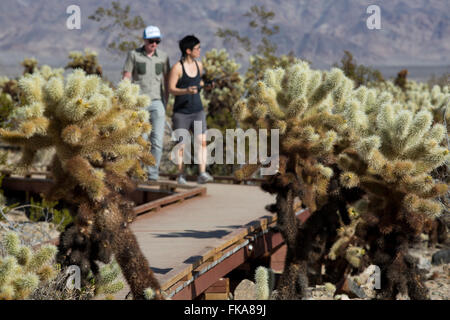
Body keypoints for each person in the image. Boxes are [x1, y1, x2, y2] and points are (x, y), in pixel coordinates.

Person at [122, 25, 170, 181]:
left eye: (157, 41)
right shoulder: (134, 55)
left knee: (157, 140)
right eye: (151, 41)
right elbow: (127, 76)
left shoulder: (163, 57)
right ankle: (137, 172)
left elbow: (167, 80)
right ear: (144, 40)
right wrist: (125, 98)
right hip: (139, 103)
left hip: (157, 102)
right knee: (140, 139)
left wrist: (166, 102)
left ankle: (153, 174)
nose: (154, 44)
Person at [168, 35, 213, 184]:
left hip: (198, 110)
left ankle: (202, 173)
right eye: (197, 48)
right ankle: (181, 174)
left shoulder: (199, 65)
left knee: (202, 141)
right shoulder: (177, 68)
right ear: (188, 51)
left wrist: (205, 86)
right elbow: (171, 89)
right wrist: (186, 91)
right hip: (181, 113)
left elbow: (198, 82)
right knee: (181, 144)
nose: (200, 50)